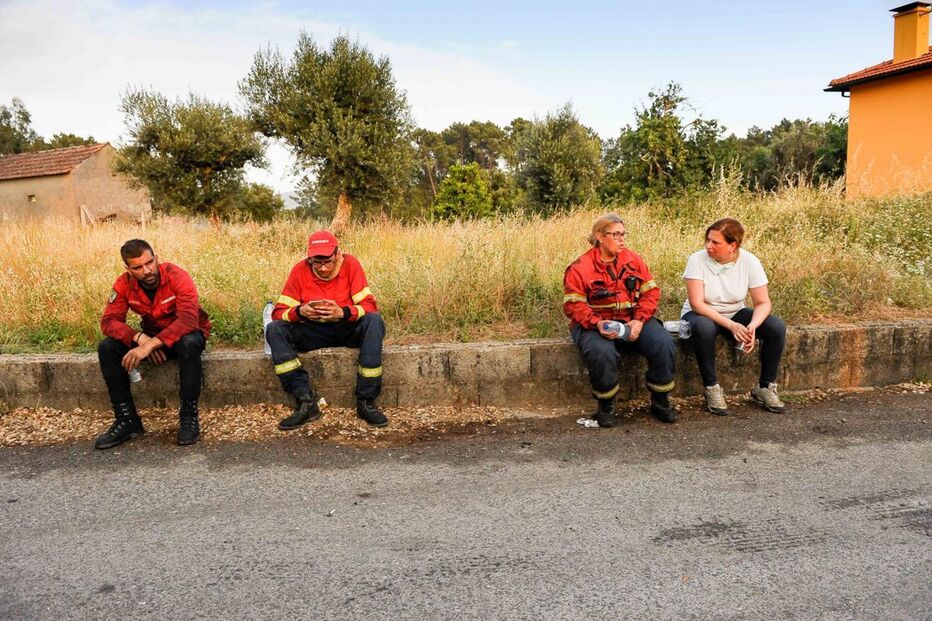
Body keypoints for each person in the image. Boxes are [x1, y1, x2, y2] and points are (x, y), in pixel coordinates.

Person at [563, 213, 679, 427]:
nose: (622, 239)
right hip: (593, 325)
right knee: (601, 352)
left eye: (623, 234)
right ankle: (606, 405)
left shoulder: (634, 260)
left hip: (632, 320)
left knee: (663, 343)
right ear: (599, 236)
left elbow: (651, 293)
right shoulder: (580, 268)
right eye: (616, 234)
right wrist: (597, 323)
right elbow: (573, 305)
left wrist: (639, 321)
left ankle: (660, 401)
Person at [96, 239, 211, 449]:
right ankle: (127, 420)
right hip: (151, 335)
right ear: (128, 269)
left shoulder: (177, 275)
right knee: (107, 348)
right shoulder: (123, 284)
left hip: (184, 335)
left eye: (149, 263)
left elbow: (188, 320)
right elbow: (109, 321)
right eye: (138, 267)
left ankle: (188, 417)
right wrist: (141, 339)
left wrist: (151, 346)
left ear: (156, 258)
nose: (147, 271)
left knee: (190, 344)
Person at [266, 230, 387, 429]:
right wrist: (300, 312)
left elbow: (370, 306)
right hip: (312, 330)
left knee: (374, 321)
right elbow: (278, 313)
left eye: (328, 262)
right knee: (274, 329)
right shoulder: (299, 270)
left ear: (338, 254)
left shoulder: (351, 264)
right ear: (309, 259)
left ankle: (366, 402)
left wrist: (343, 313)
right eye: (316, 262)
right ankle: (305, 402)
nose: (322, 268)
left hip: (346, 327)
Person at [681, 218, 786, 416]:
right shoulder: (697, 259)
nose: (708, 246)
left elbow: (763, 302)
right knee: (703, 328)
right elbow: (697, 303)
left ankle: (765, 387)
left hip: (734, 311)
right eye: (708, 240)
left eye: (715, 242)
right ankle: (712, 388)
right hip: (701, 313)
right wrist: (731, 326)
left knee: (775, 327)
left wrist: (752, 326)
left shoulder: (749, 261)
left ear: (733, 245)